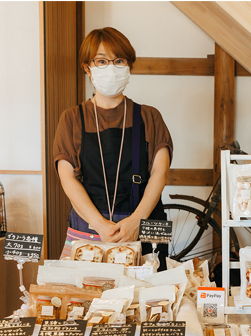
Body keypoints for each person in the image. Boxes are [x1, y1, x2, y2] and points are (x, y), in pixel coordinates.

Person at [53, 27, 172, 270]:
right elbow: (68, 178)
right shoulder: (72, 118)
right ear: (87, 67)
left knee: (151, 301)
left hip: (146, 222)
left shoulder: (150, 116)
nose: (111, 67)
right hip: (90, 225)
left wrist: (136, 221)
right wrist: (99, 224)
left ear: (129, 66)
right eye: (102, 61)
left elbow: (160, 173)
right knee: (87, 299)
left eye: (118, 61)